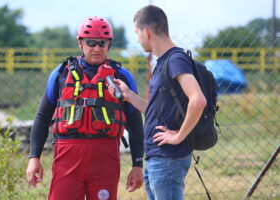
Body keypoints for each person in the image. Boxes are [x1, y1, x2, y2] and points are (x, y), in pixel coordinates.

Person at [26, 16, 144, 200]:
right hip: (67, 155)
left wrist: (138, 165)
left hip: (105, 156)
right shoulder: (61, 74)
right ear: (80, 43)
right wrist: (34, 158)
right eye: (91, 42)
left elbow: (135, 123)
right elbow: (42, 117)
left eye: (102, 43)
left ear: (109, 44)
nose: (97, 48)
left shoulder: (122, 76)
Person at [108, 5, 207, 200]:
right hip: (157, 157)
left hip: (168, 158)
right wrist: (129, 96)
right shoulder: (163, 62)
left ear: (146, 32)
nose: (137, 38)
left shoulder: (175, 60)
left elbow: (198, 100)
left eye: (137, 33)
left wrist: (178, 136)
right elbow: (156, 112)